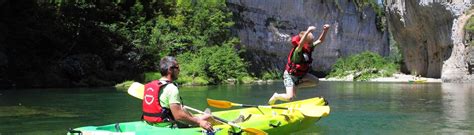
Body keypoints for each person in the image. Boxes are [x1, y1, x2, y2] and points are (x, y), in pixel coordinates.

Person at [142, 56, 213, 131]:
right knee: (206, 119)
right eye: (177, 68)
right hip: (167, 126)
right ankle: (207, 117)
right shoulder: (171, 88)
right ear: (170, 69)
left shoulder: (151, 85)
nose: (179, 70)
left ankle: (204, 116)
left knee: (184, 110)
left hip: (150, 123)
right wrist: (199, 122)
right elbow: (178, 116)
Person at [268, 24, 330, 105]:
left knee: (315, 81)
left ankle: (296, 86)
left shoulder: (310, 47)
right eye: (310, 42)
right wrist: (308, 31)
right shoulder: (298, 51)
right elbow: (300, 44)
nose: (312, 43)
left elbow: (320, 40)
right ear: (305, 42)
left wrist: (325, 30)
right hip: (290, 76)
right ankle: (276, 96)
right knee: (290, 97)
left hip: (301, 75)